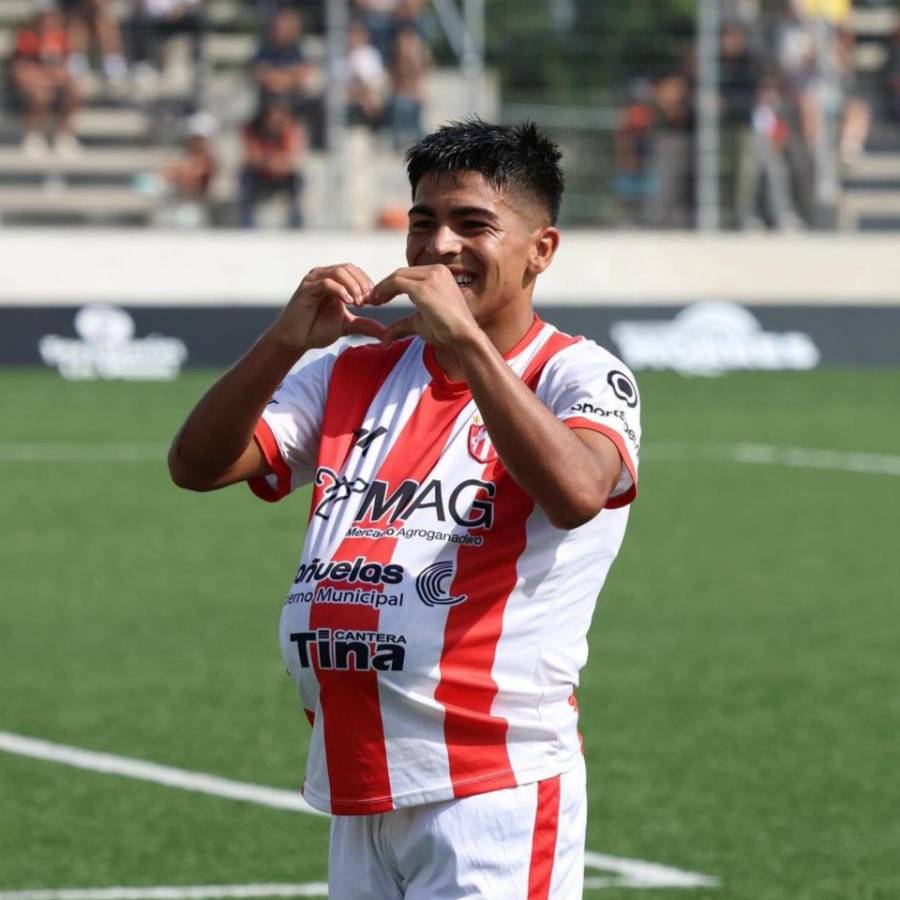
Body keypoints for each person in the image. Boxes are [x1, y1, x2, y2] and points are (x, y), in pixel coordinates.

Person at [169, 119, 641, 899]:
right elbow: (197, 466)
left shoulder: (578, 375)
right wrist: (284, 341)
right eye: (424, 223)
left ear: (541, 250)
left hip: (494, 787)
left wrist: (467, 344)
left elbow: (578, 491)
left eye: (473, 224)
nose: (440, 246)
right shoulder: (356, 371)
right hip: (360, 783)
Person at [11, 8, 82, 158]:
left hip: (53, 82)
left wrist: (57, 78)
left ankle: (64, 136)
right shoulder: (26, 38)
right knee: (41, 95)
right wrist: (43, 79)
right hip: (33, 85)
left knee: (74, 92)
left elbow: (65, 67)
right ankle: (33, 135)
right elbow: (21, 70)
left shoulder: (59, 38)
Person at [238, 99, 305, 228]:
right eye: (272, 116)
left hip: (283, 176)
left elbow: (292, 159)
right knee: (245, 177)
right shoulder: (253, 130)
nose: (275, 120)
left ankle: (296, 223)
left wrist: (273, 162)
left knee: (298, 179)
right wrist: (272, 161)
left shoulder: (290, 129)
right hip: (260, 175)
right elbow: (252, 157)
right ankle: (247, 225)